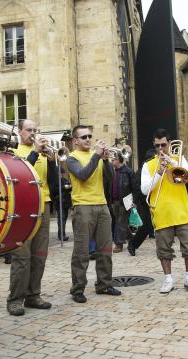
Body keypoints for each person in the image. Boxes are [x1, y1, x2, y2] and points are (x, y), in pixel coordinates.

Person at [6, 119, 58, 316]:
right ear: (20, 132)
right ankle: (15, 299)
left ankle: (33, 295)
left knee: (39, 254)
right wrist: (36, 152)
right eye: (28, 130)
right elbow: (22, 171)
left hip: (43, 204)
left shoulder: (42, 155)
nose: (32, 133)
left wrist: (52, 162)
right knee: (21, 255)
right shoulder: (14, 154)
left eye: (35, 130)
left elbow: (53, 183)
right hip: (23, 206)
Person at [141, 129, 188, 293]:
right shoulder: (148, 165)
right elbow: (144, 189)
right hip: (161, 213)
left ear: (169, 143)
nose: (161, 149)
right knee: (164, 250)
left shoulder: (179, 159)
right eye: (157, 146)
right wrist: (160, 173)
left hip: (181, 211)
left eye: (164, 145)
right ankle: (168, 279)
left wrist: (174, 163)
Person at [66, 125, 121, 303]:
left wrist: (105, 161)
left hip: (102, 205)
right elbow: (83, 175)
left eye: (89, 136)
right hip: (83, 206)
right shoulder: (71, 158)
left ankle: (104, 284)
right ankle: (77, 289)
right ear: (75, 141)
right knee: (81, 251)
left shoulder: (96, 156)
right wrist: (97, 156)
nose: (88, 139)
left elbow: (111, 180)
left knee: (105, 249)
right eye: (83, 137)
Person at [127, 149, 156, 256]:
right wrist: (140, 201)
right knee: (147, 226)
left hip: (153, 201)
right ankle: (133, 244)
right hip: (145, 202)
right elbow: (137, 187)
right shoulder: (144, 169)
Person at [110, 153, 135, 253]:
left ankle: (119, 244)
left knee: (121, 221)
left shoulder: (128, 171)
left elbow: (134, 186)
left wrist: (134, 201)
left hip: (126, 200)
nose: (112, 161)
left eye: (113, 159)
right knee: (120, 222)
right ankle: (131, 238)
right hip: (114, 200)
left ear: (118, 160)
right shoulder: (112, 171)